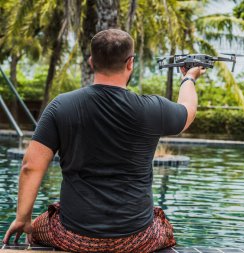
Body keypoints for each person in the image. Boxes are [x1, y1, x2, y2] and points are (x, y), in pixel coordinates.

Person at [2, 29, 205, 252]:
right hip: (137, 238)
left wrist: (23, 219)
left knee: (42, 223)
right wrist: (189, 77)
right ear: (130, 63)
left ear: (91, 61)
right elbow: (188, 111)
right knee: (162, 224)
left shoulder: (61, 106)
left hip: (73, 235)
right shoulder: (152, 108)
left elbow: (30, 167)